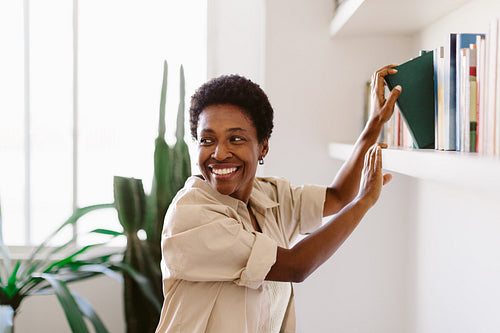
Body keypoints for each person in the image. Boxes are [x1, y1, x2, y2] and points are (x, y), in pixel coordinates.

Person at [155, 65, 402, 333]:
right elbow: (296, 266)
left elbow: (338, 196)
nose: (219, 153)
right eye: (207, 140)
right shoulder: (191, 215)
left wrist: (375, 123)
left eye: (235, 139)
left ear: (263, 146)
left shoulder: (268, 196)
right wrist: (365, 201)